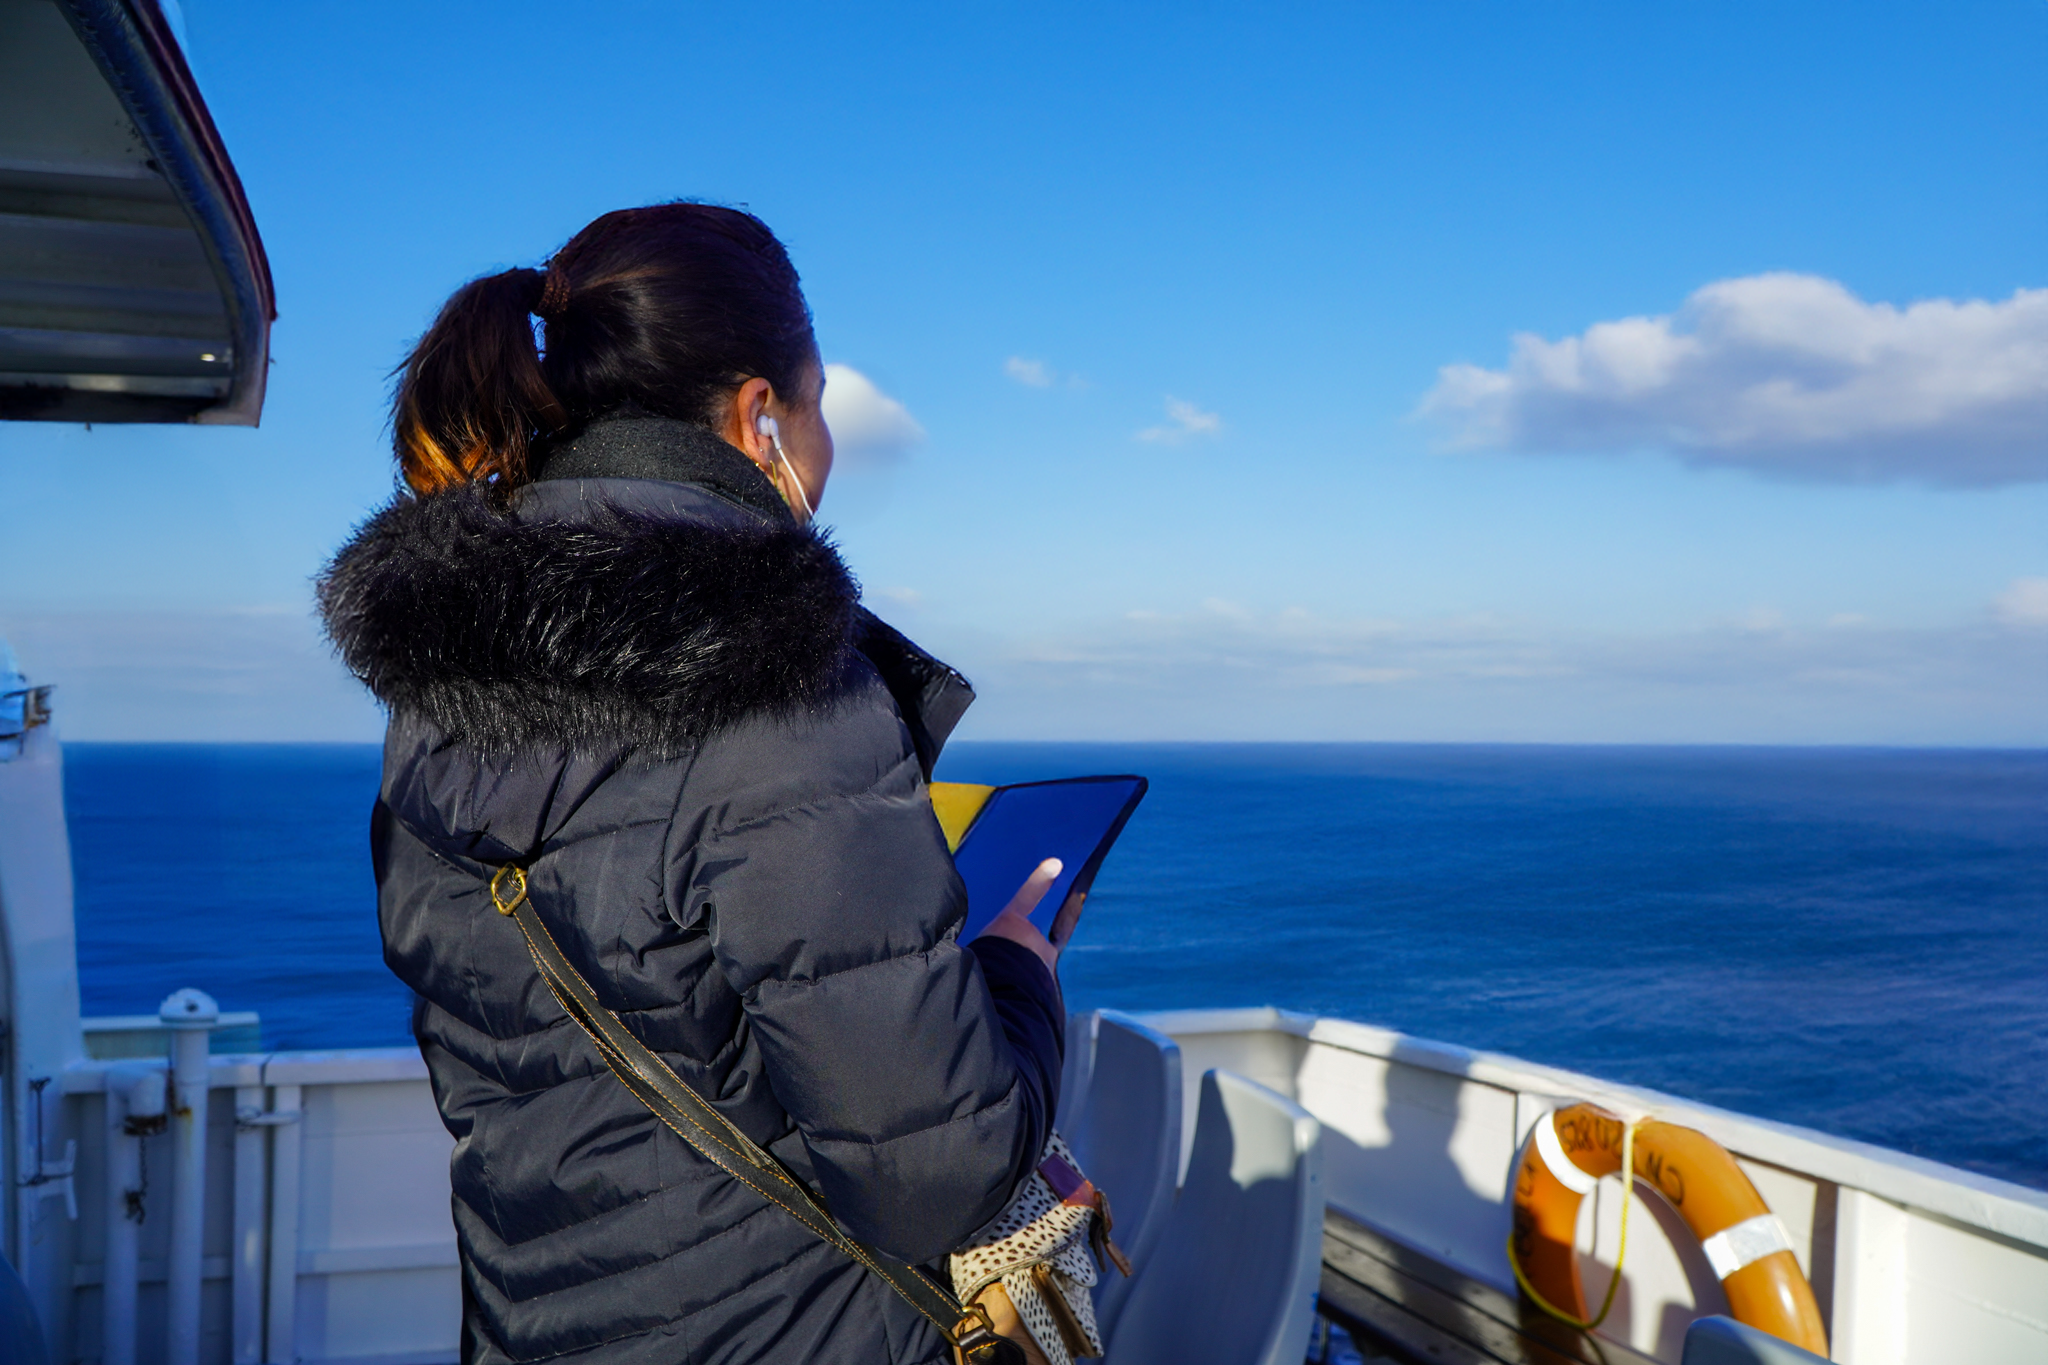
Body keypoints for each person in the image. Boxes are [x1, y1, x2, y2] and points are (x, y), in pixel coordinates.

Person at [319, 203, 1073, 1364]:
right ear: (758, 416)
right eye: (816, 407)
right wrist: (1017, 978)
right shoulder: (781, 687)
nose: (826, 450)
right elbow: (934, 1181)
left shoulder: (438, 688)